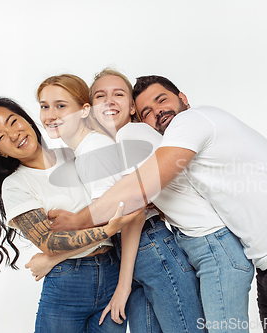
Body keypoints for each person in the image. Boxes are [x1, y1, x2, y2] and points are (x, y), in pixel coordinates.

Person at [51, 75, 267, 333]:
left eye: (162, 100)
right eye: (147, 111)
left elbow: (140, 189)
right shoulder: (168, 142)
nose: (157, 112)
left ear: (183, 97)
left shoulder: (191, 121)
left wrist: (78, 221)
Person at [27, 71, 205, 333]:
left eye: (119, 94)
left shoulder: (111, 142)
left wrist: (121, 285)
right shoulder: (98, 146)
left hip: (149, 247)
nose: (109, 102)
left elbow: (131, 213)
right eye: (101, 96)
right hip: (134, 254)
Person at [0, 96, 141, 333]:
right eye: (0, 137)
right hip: (68, 281)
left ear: (27, 120)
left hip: (113, 271)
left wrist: (52, 258)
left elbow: (124, 200)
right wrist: (108, 229)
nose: (13, 134)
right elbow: (50, 242)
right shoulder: (16, 185)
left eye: (13, 122)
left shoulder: (76, 153)